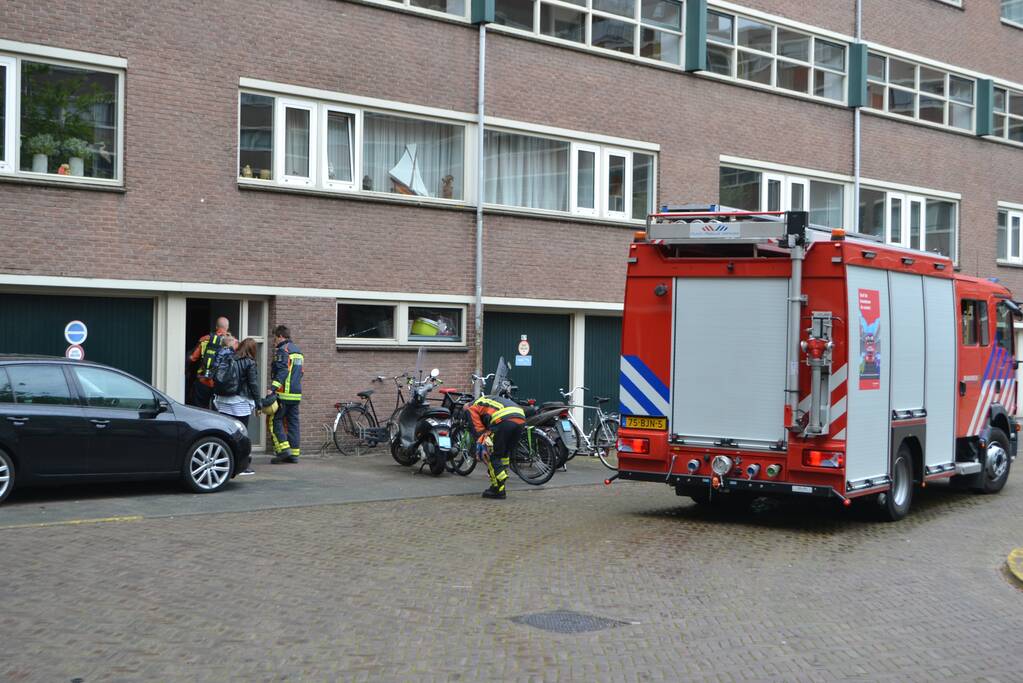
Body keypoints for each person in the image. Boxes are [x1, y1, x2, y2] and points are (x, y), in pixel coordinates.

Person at [212, 337, 263, 476]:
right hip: (240, 403)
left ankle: (223, 462)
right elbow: (253, 385)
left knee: (226, 432)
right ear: (253, 350)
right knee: (241, 435)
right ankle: (243, 466)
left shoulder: (229, 358)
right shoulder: (249, 362)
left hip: (223, 401)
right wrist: (259, 404)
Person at [468, 393, 525, 500]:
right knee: (504, 454)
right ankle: (499, 485)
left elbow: (476, 424)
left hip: (504, 419)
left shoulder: (473, 406)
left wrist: (481, 436)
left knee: (493, 455)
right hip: (520, 418)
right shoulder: (490, 400)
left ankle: (498, 488)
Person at [269, 325, 303, 464]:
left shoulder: (283, 351)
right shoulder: (298, 351)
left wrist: (272, 388)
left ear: (281, 336)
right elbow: (301, 373)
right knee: (293, 423)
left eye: (275, 338)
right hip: (296, 394)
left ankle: (283, 451)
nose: (274, 342)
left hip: (284, 394)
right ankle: (294, 454)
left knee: (275, 420)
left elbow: (282, 372)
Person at [188, 316, 231, 409]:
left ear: (216, 327)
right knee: (220, 413)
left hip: (203, 380)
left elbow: (193, 358)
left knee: (201, 410)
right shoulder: (231, 342)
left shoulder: (205, 340)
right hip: (220, 384)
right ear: (227, 328)